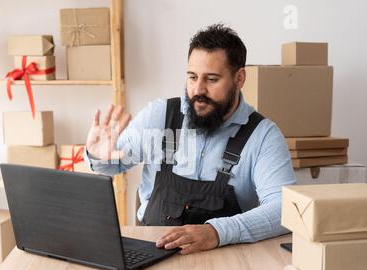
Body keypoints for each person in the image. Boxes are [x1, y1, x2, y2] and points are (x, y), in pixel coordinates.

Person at [84, 23, 296, 255]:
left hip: (228, 260)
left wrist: (218, 232)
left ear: (239, 78)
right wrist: (98, 155)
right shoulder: (159, 115)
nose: (198, 90)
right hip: (151, 254)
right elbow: (112, 165)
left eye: (212, 79)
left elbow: (284, 210)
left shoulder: (263, 135)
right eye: (192, 77)